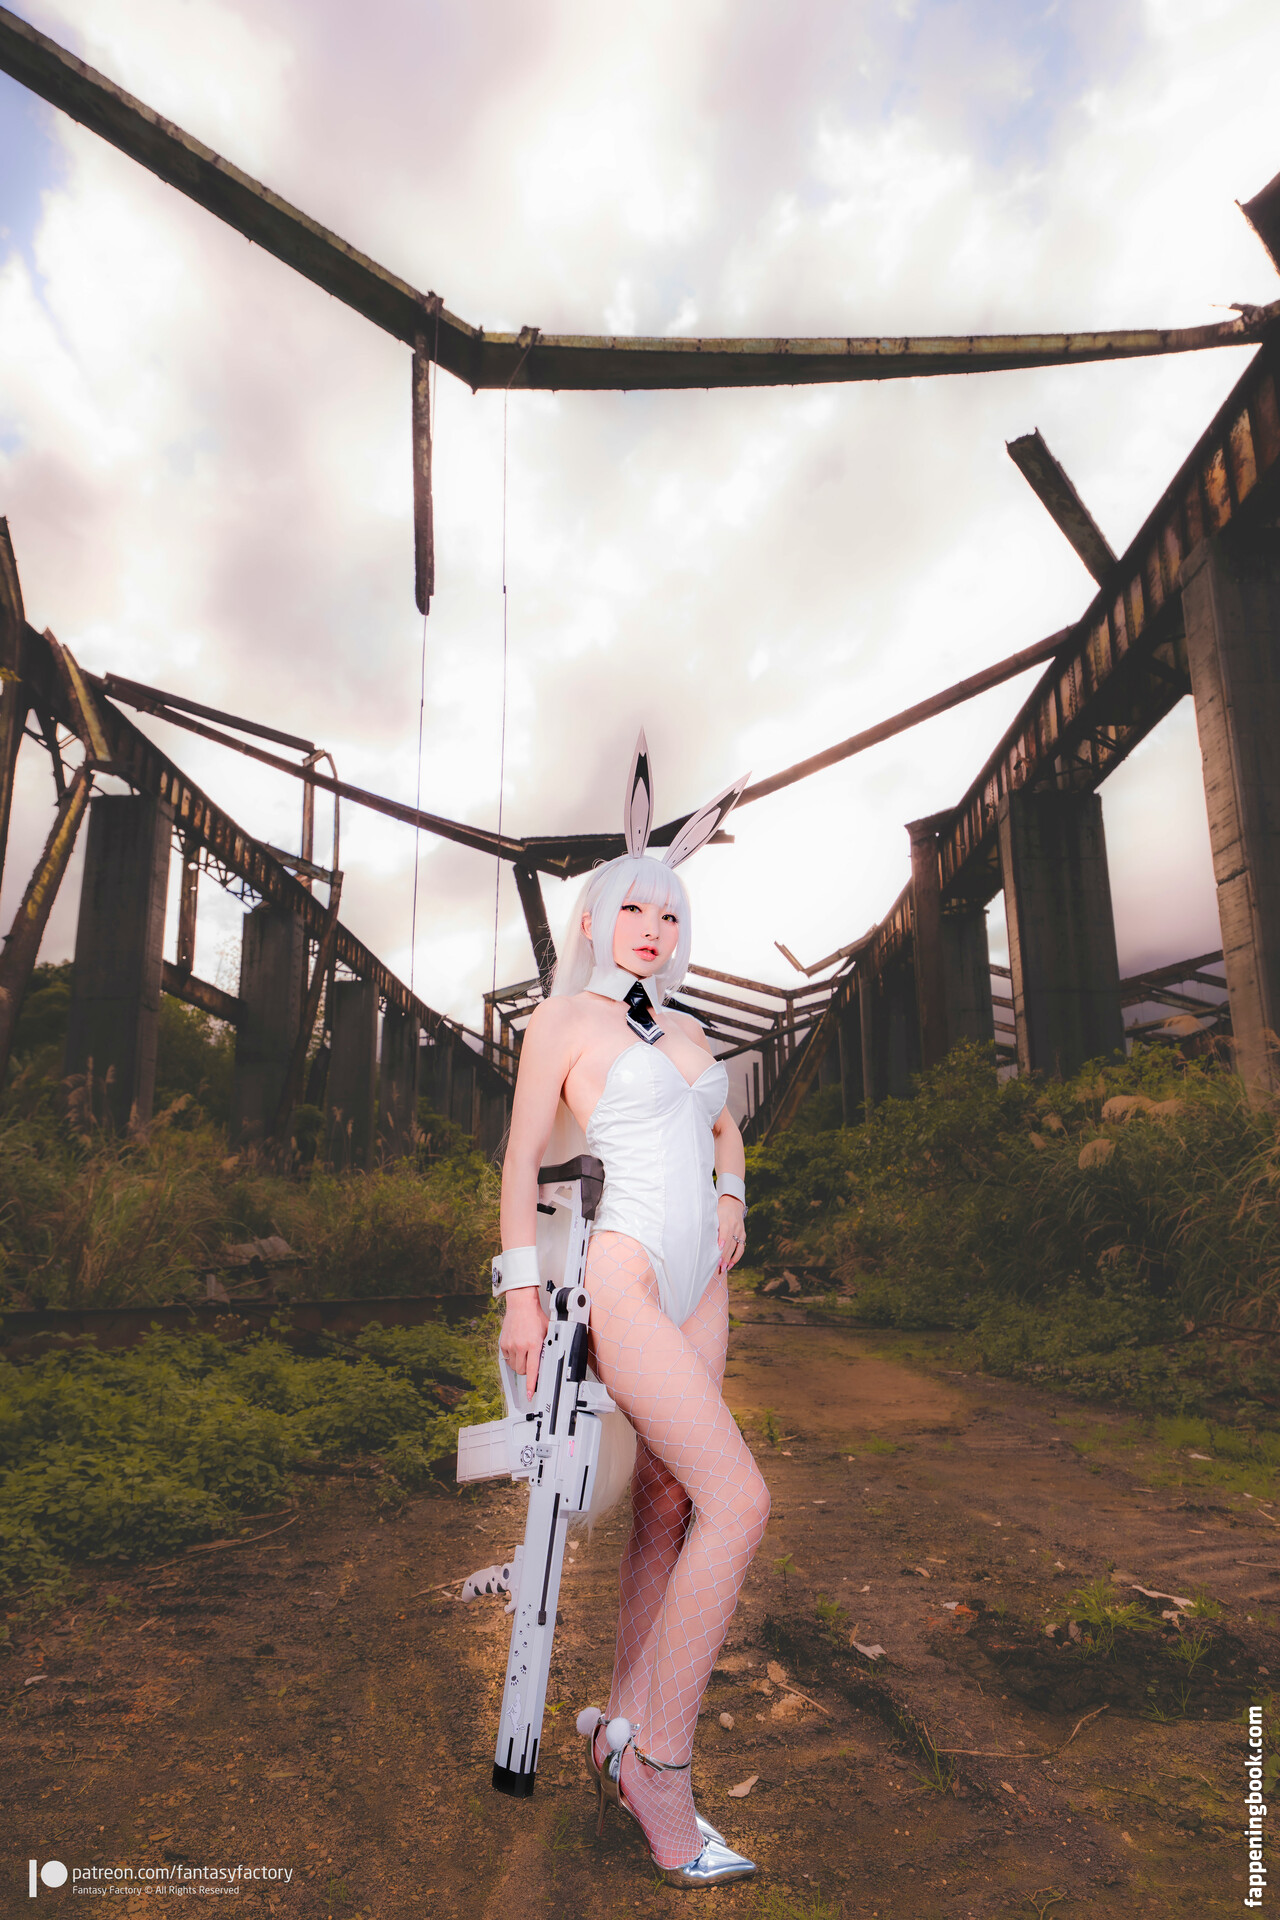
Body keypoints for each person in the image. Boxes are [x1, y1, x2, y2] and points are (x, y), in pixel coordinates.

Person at [495, 742, 770, 1888]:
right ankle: (660, 1768)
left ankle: (617, 1723)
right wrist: (519, 1289)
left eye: (669, 913)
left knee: (669, 1506)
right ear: (595, 918)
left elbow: (722, 1125)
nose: (652, 927)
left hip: (704, 1276)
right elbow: (520, 1160)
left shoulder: (689, 1031)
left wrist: (733, 1193)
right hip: (627, 1271)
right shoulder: (562, 1022)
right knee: (739, 1501)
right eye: (633, 908)